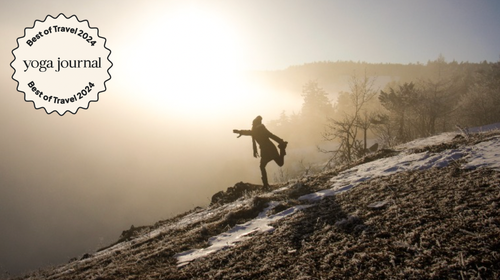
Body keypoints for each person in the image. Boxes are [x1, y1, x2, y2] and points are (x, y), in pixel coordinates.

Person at [233, 115, 288, 189]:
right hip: (270, 149)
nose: (252, 125)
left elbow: (250, 132)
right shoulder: (258, 130)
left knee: (263, 166)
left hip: (267, 151)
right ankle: (282, 149)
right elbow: (271, 136)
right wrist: (281, 141)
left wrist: (240, 132)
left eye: (253, 124)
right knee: (278, 164)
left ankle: (265, 185)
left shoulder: (257, 130)